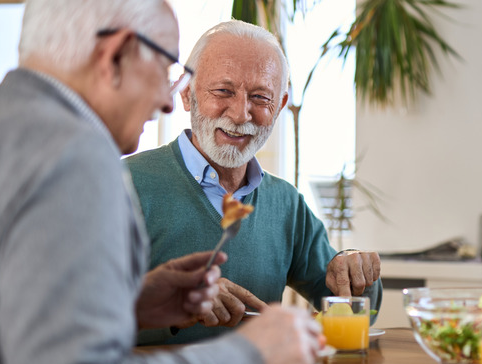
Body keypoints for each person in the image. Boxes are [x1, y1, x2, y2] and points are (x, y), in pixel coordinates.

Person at [0, 1, 322, 364]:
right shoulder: (77, 158)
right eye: (164, 67)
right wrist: (249, 356)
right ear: (116, 54)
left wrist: (128, 304)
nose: (167, 101)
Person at [125, 20, 383, 345]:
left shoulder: (286, 204)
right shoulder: (123, 185)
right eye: (223, 91)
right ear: (187, 93)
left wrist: (357, 272)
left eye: (260, 97)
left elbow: (352, 309)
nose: (240, 115)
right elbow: (76, 314)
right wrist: (175, 304)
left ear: (280, 107)